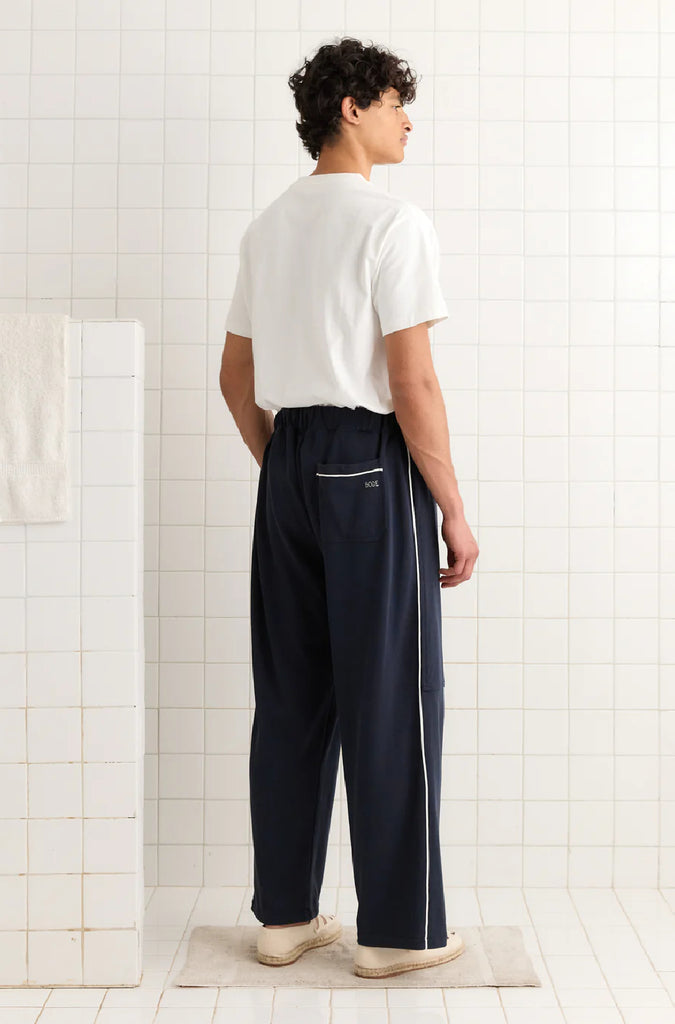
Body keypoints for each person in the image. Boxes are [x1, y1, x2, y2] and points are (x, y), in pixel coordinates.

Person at [220, 36, 478, 980]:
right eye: (395, 102)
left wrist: (288, 465)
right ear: (350, 109)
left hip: (288, 460)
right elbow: (411, 383)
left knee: (292, 695)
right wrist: (452, 507)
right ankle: (398, 932)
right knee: (392, 698)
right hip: (369, 462)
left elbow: (234, 376)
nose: (408, 120)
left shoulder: (268, 227)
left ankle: (283, 919)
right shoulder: (391, 224)